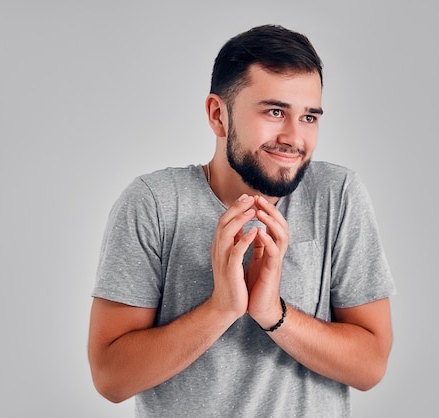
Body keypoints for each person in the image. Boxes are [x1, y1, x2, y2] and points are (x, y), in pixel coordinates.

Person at [88, 24, 396, 417]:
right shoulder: (154, 203)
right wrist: (221, 308)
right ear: (219, 115)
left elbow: (370, 366)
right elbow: (110, 377)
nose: (293, 137)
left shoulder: (336, 194)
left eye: (309, 117)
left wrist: (273, 312)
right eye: (274, 111)